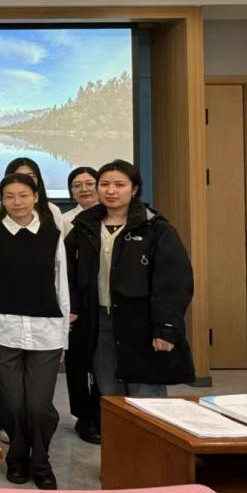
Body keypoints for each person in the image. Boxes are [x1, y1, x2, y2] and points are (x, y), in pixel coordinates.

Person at [67, 160, 195, 408]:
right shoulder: (85, 227)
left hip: (141, 323)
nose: (111, 191)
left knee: (146, 395)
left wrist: (165, 328)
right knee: (109, 393)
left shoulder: (155, 227)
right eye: (104, 184)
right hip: (98, 321)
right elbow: (68, 272)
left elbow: (174, 281)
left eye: (119, 185)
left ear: (134, 189)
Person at [0, 172, 70, 489]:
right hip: (3, 330)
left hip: (46, 333)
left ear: (36, 197)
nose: (16, 202)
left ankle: (41, 460)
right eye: (9, 196)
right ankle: (17, 457)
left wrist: (63, 338)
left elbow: (62, 287)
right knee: (12, 403)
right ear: (2, 201)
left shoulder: (52, 234)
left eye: (23, 195)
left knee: (39, 406)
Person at [58, 164, 102, 442]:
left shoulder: (112, 217)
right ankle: (82, 416)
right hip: (75, 300)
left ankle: (102, 414)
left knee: (103, 362)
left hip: (104, 300)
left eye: (89, 183)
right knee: (77, 362)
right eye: (77, 185)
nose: (84, 189)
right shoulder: (65, 221)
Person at [0, 157, 65, 227]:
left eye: (31, 176)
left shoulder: (52, 209)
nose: (25, 180)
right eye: (19, 176)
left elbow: (59, 238)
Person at [61, 166, 100, 236]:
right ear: (71, 191)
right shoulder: (64, 219)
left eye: (90, 184)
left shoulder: (113, 215)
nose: (84, 189)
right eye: (77, 185)